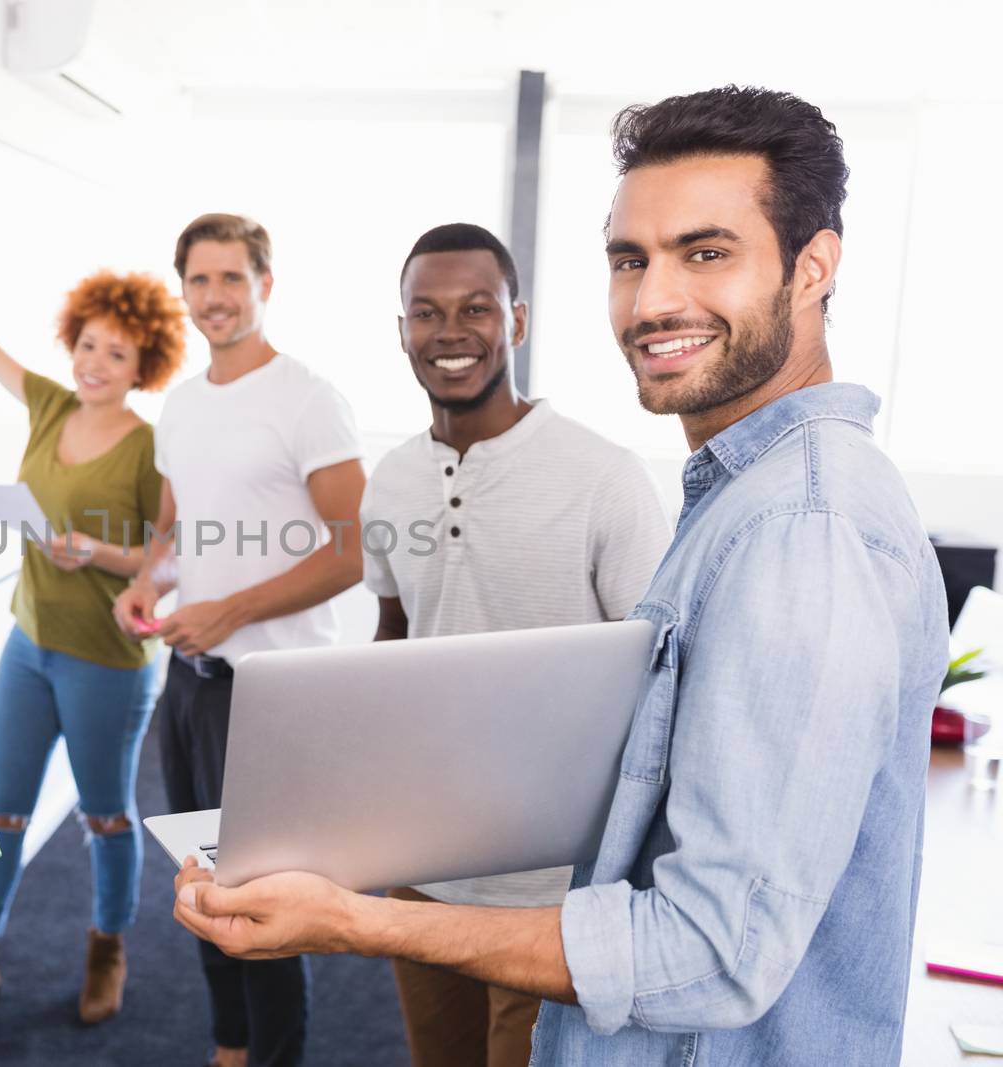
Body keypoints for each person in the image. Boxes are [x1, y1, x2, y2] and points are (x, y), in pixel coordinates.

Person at [172, 86, 949, 1067]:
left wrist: (355, 921)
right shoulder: (743, 501)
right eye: (631, 259)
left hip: (585, 934)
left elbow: (711, 951)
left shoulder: (800, 530)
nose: (654, 298)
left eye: (706, 251)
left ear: (812, 266)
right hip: (489, 897)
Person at [363, 221, 669, 1067]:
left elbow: (658, 681)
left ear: (518, 322)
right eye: (426, 312)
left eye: (476, 308)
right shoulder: (389, 479)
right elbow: (393, 642)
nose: (450, 332)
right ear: (401, 331)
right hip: (422, 867)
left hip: (553, 887)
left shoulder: (602, 477)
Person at [0, 217, 189, 1035]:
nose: (94, 365)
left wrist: (95, 551)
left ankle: (107, 948)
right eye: (88, 346)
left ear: (144, 368)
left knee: (105, 814)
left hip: (106, 658)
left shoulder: (151, 448)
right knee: (1, 814)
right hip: (28, 646)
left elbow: (165, 557)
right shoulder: (47, 404)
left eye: (116, 355)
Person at [113, 213, 367, 1067]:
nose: (215, 297)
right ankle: (231, 1046)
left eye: (233, 279)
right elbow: (176, 528)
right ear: (182, 289)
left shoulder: (308, 398)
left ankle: (276, 1057)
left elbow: (352, 551)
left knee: (264, 896)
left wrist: (232, 611)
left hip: (273, 694)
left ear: (266, 284)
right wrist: (151, 580)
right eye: (200, 280)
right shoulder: (180, 405)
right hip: (188, 683)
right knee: (200, 881)